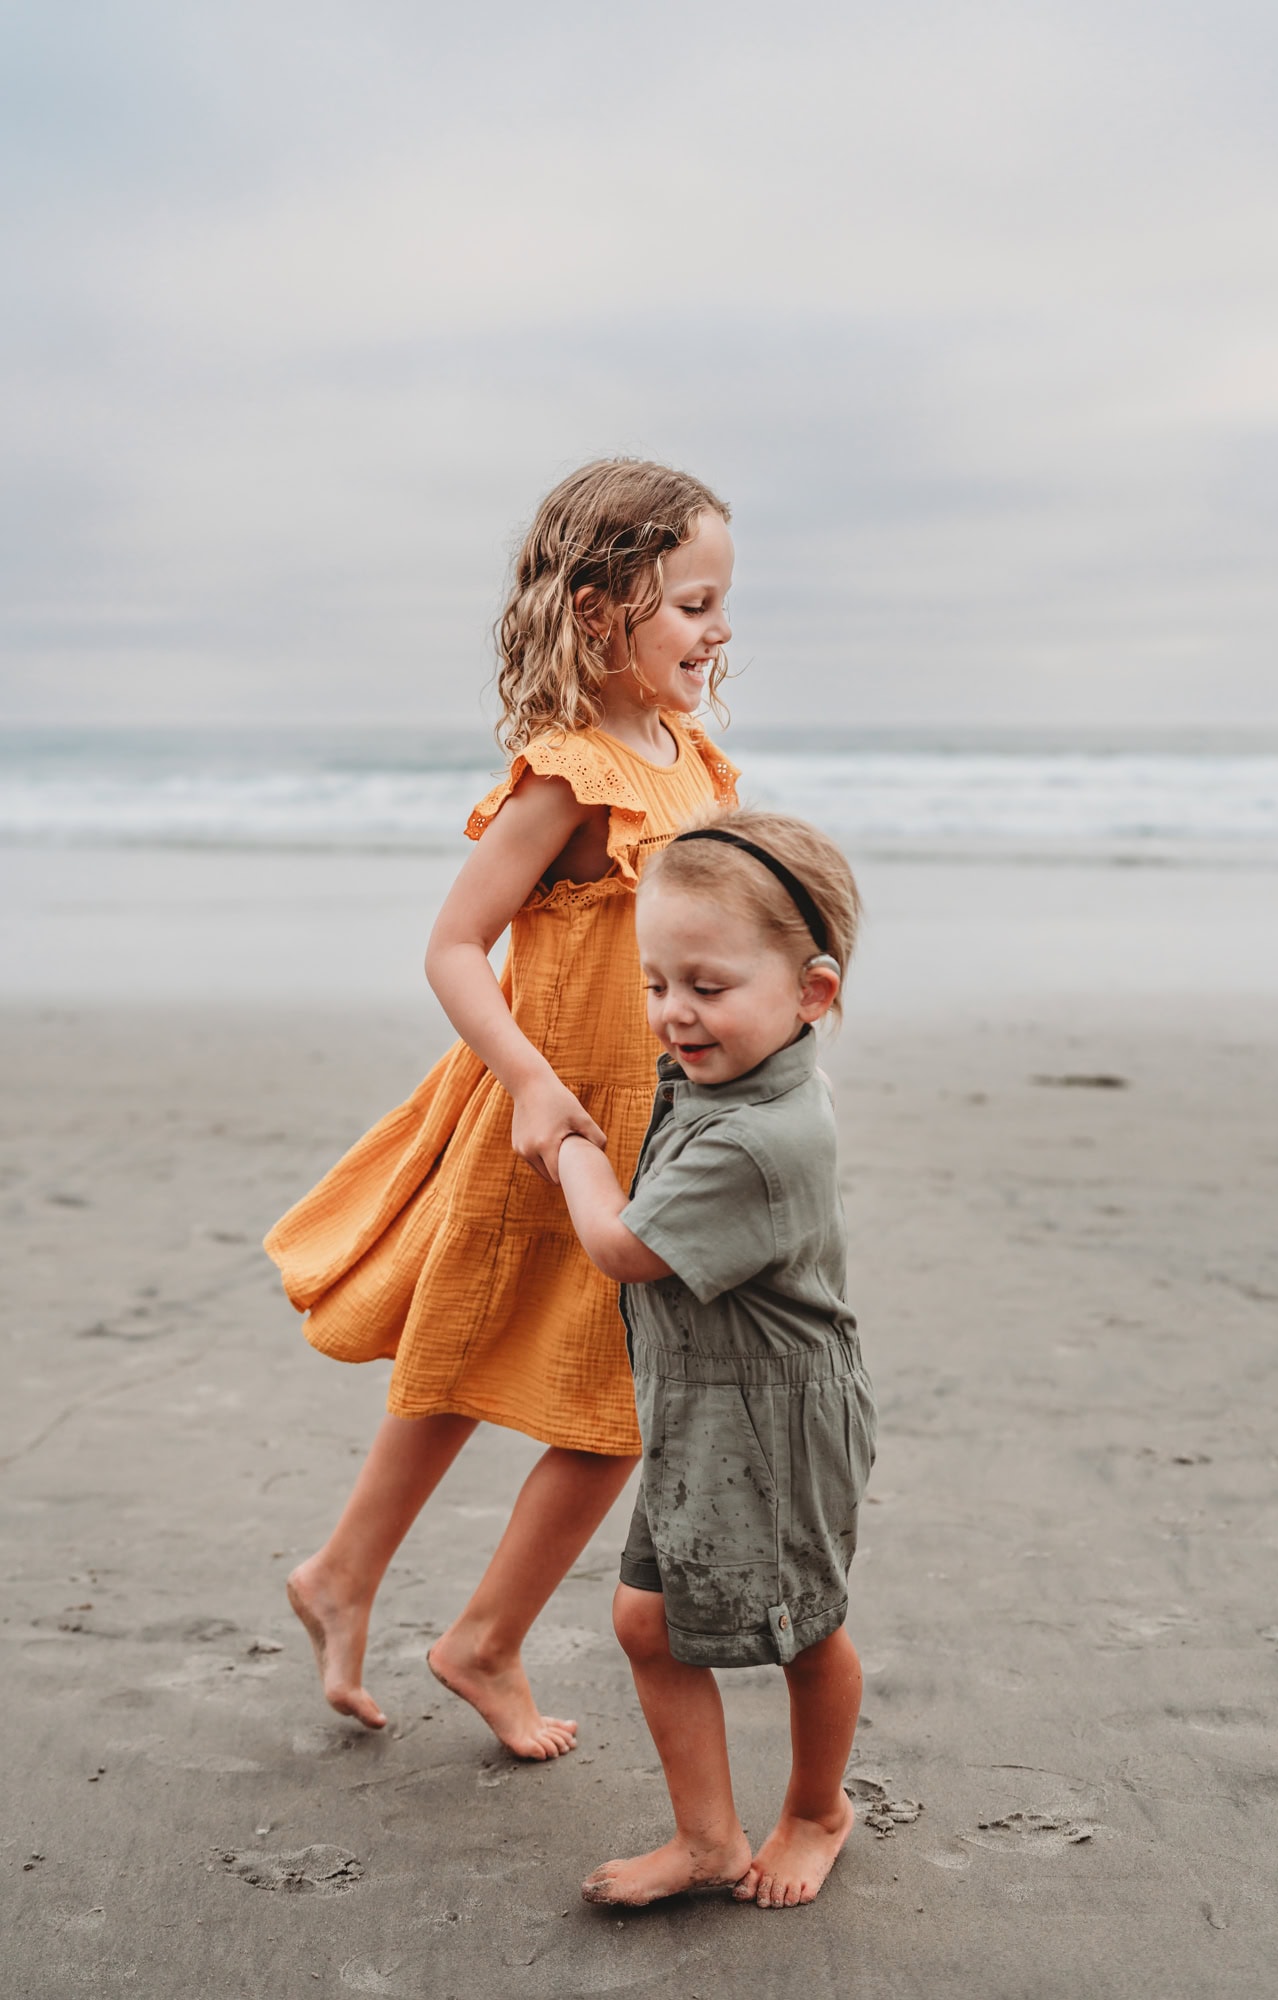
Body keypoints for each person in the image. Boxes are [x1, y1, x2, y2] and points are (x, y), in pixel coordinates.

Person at [264, 459, 739, 1757]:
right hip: (548, 1121)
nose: (718, 631)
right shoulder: (567, 775)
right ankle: (453, 1626)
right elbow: (454, 947)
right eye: (692, 604)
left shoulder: (693, 759)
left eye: (720, 606)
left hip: (657, 1129)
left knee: (557, 1386)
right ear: (600, 608)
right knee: (525, 1375)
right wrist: (533, 1081)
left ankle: (369, 1587)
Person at [556, 808, 877, 1909]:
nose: (672, 1013)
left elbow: (620, 1243)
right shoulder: (733, 1079)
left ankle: (816, 1809)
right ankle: (705, 1837)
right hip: (706, 1410)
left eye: (705, 984)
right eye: (655, 983)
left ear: (810, 993)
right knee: (648, 1619)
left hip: (777, 1420)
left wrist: (563, 1147)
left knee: (803, 1627)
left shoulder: (756, 1133)